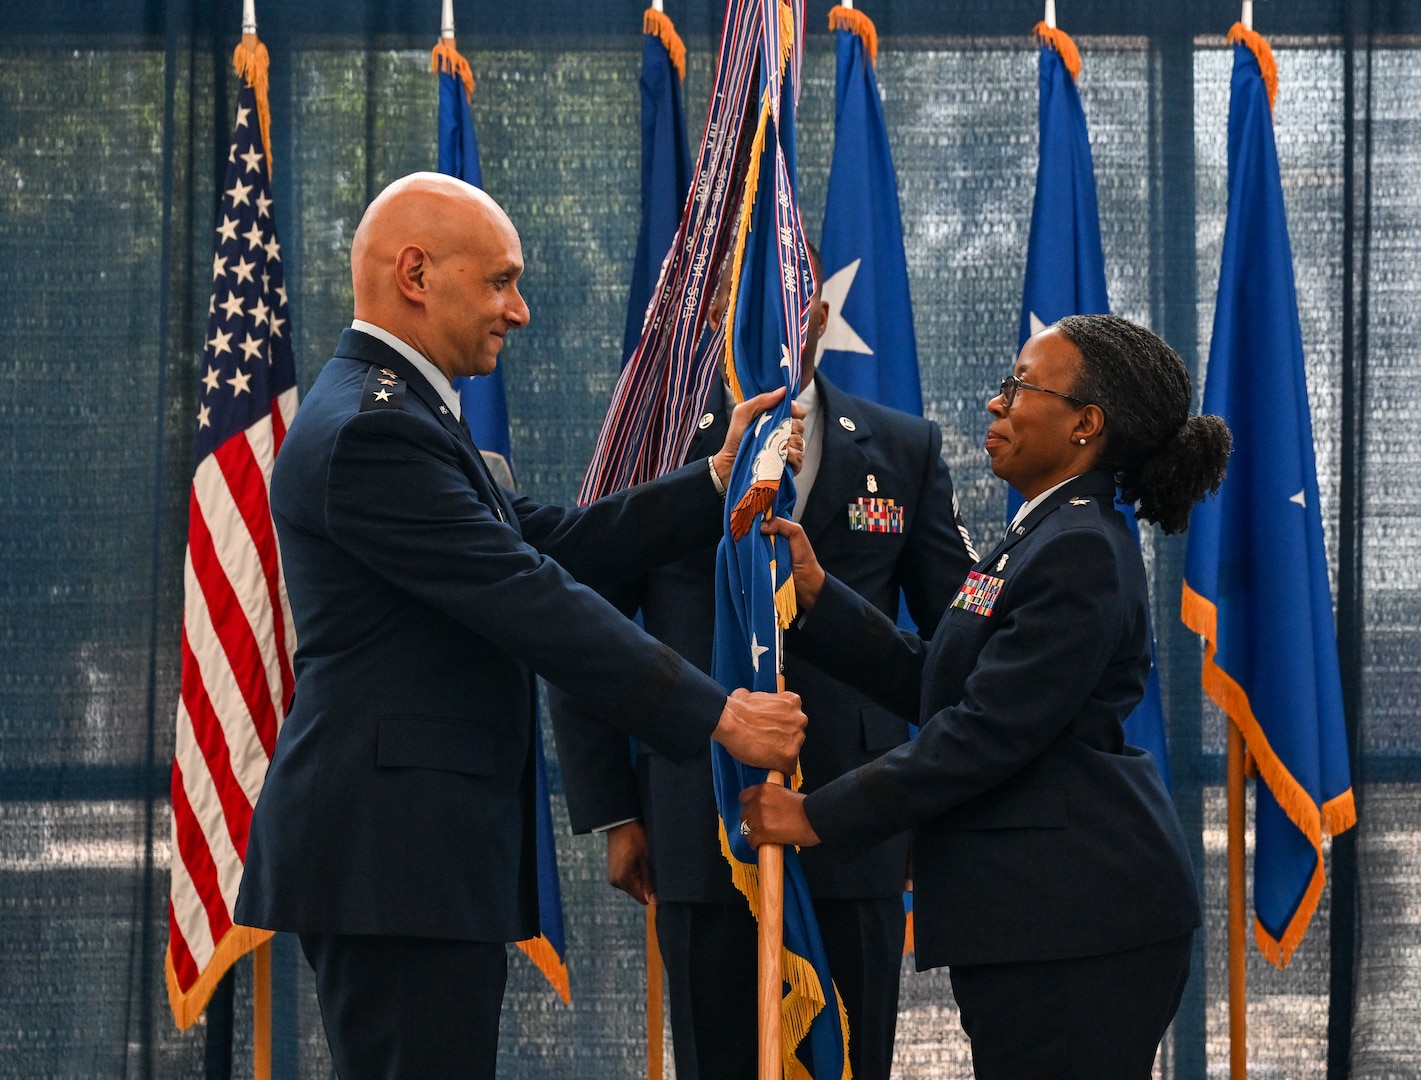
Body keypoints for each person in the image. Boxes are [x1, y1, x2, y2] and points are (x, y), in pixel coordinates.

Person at [234, 172, 809, 1080]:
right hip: (396, 861)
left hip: (415, 859)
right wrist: (718, 718)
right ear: (416, 274)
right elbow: (531, 596)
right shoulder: (373, 431)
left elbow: (557, 543)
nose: (520, 309)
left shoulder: (406, 415)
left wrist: (714, 478)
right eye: (501, 281)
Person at [741, 314, 1233, 1079]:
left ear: (1085, 425)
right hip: (1036, 918)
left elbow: (983, 733)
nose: (996, 404)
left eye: (1020, 387)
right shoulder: (1044, 534)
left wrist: (816, 816)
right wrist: (818, 597)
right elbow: (945, 681)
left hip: (1075, 925)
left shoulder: (1079, 549)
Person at [551, 242, 975, 1080]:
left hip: (859, 819)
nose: (777, 315)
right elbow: (576, 621)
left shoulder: (902, 448)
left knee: (852, 1060)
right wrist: (613, 811)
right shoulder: (664, 444)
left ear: (817, 310)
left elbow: (957, 651)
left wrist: (932, 802)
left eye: (793, 296)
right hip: (699, 818)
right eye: (742, 296)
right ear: (714, 314)